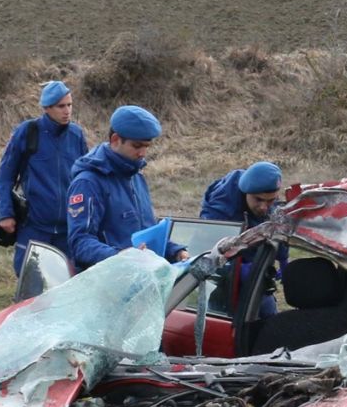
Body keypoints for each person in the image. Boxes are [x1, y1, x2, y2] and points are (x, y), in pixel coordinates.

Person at [67, 105, 188, 271]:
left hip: (141, 279)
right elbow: (80, 243)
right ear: (115, 139)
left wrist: (175, 251)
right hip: (106, 284)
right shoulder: (88, 183)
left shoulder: (136, 177)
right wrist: (119, 256)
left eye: (147, 146)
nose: (143, 153)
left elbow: (147, 233)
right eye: (137, 146)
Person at [0, 80, 88, 276]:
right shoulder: (27, 132)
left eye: (70, 105)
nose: (67, 111)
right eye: (61, 106)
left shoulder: (76, 135)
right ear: (47, 108)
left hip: (69, 228)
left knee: (70, 282)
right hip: (35, 226)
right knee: (30, 283)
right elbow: (5, 175)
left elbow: (86, 178)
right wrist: (6, 213)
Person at [200, 161, 287, 317]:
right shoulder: (220, 211)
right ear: (245, 192)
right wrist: (236, 270)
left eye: (270, 200)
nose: (264, 207)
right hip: (224, 287)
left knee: (268, 320)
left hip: (257, 281)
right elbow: (207, 254)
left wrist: (283, 258)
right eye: (258, 200)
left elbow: (276, 228)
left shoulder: (269, 203)